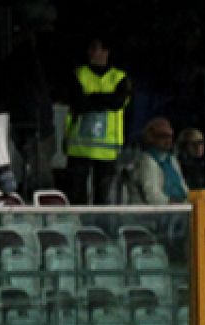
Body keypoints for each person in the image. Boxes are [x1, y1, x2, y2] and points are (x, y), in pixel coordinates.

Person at [64, 36, 129, 204]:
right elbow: (78, 102)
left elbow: (117, 102)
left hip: (107, 150)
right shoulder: (79, 74)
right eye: (90, 48)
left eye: (95, 48)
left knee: (103, 199)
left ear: (106, 51)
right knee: (76, 197)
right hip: (79, 147)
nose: (91, 52)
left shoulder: (119, 77)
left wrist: (91, 98)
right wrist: (105, 99)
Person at [122, 117, 186, 204]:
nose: (168, 140)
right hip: (154, 211)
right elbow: (153, 197)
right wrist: (175, 204)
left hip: (179, 208)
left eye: (170, 136)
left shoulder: (171, 159)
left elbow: (183, 187)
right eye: (163, 136)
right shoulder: (146, 160)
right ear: (151, 137)